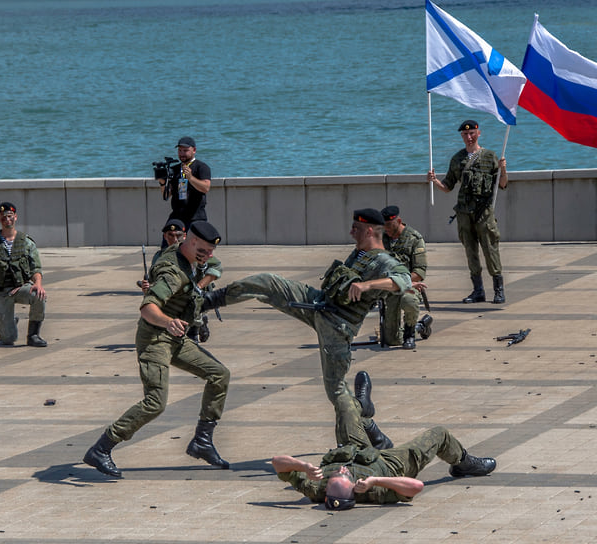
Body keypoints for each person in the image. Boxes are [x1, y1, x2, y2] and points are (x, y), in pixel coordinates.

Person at [203, 209, 410, 448]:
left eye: (356, 228)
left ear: (370, 231)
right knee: (268, 283)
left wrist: (367, 285)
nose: (351, 232)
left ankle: (367, 434)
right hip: (318, 303)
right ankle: (208, 301)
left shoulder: (384, 260)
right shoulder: (362, 252)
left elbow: (403, 281)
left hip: (338, 325)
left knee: (337, 392)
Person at [84, 221, 232, 478]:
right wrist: (168, 321)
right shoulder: (171, 272)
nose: (209, 257)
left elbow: (216, 267)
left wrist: (199, 285)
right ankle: (102, 447)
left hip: (176, 337)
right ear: (193, 241)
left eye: (211, 252)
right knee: (155, 403)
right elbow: (147, 308)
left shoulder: (182, 252)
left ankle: (202, 442)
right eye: (205, 251)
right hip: (155, 338)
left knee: (219, 374)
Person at [270, 371, 497, 510]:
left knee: (343, 404)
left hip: (353, 449)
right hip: (388, 464)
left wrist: (302, 467)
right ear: (353, 489)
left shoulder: (314, 488)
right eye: (343, 474)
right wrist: (376, 480)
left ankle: (365, 413)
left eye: (333, 475)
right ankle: (464, 463)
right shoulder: (375, 493)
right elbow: (415, 487)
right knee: (439, 434)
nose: (340, 469)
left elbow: (276, 462)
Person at [427, 120, 509, 304]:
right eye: (465, 134)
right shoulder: (457, 159)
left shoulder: (490, 157)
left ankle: (499, 290)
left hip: (484, 213)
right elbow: (448, 186)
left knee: (490, 249)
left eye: (472, 133)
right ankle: (478, 291)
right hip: (464, 213)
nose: (469, 137)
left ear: (479, 133)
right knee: (470, 251)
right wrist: (434, 181)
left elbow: (502, 184)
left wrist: (503, 170)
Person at [0, 202, 47, 347]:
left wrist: (38, 284)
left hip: (21, 287)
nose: (7, 220)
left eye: (10, 216)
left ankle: (33, 335)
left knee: (39, 295)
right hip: (0, 292)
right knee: (8, 339)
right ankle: (8, 322)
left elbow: (36, 268)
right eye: (3, 217)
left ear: (15, 217)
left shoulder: (26, 242)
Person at [137, 218, 219, 343]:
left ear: (185, 236)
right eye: (170, 235)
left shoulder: (195, 252)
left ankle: (198, 325)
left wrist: (200, 285)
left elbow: (212, 269)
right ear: (165, 236)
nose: (174, 239)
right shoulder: (160, 257)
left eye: (178, 235)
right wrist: (147, 288)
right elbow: (156, 281)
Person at [380, 205, 433, 350]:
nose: (388, 230)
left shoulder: (414, 238)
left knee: (408, 300)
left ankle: (409, 333)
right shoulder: (382, 239)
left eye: (390, 226)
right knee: (392, 339)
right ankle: (420, 326)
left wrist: (401, 282)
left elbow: (420, 272)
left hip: (410, 286)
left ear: (399, 221)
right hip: (389, 288)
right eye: (384, 227)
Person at [157, 136, 211, 228]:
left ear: (194, 150)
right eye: (180, 151)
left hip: (196, 216)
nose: (182, 154)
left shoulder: (201, 167)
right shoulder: (174, 169)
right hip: (177, 216)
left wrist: (190, 178)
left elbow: (205, 188)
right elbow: (166, 195)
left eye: (185, 151)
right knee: (167, 239)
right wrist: (162, 182)